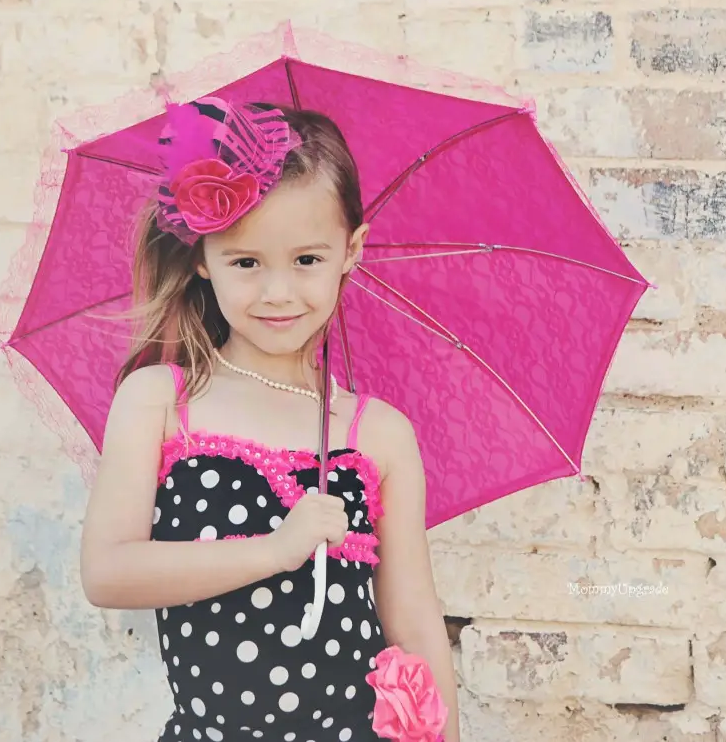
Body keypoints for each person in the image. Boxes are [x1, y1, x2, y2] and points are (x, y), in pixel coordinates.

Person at [79, 97, 458, 741]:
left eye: (307, 260)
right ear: (203, 256)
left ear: (351, 250)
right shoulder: (162, 402)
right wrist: (277, 550)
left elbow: (414, 618)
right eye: (247, 262)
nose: (278, 292)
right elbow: (107, 573)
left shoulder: (376, 433)